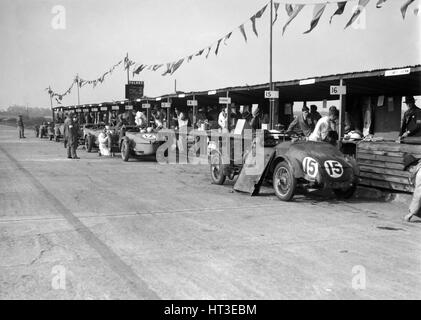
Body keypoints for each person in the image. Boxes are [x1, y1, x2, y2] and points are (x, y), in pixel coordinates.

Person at [404, 155, 421, 222]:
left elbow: (418, 194)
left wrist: (411, 213)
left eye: (408, 170)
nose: (409, 172)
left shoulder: (420, 174)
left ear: (411, 167)